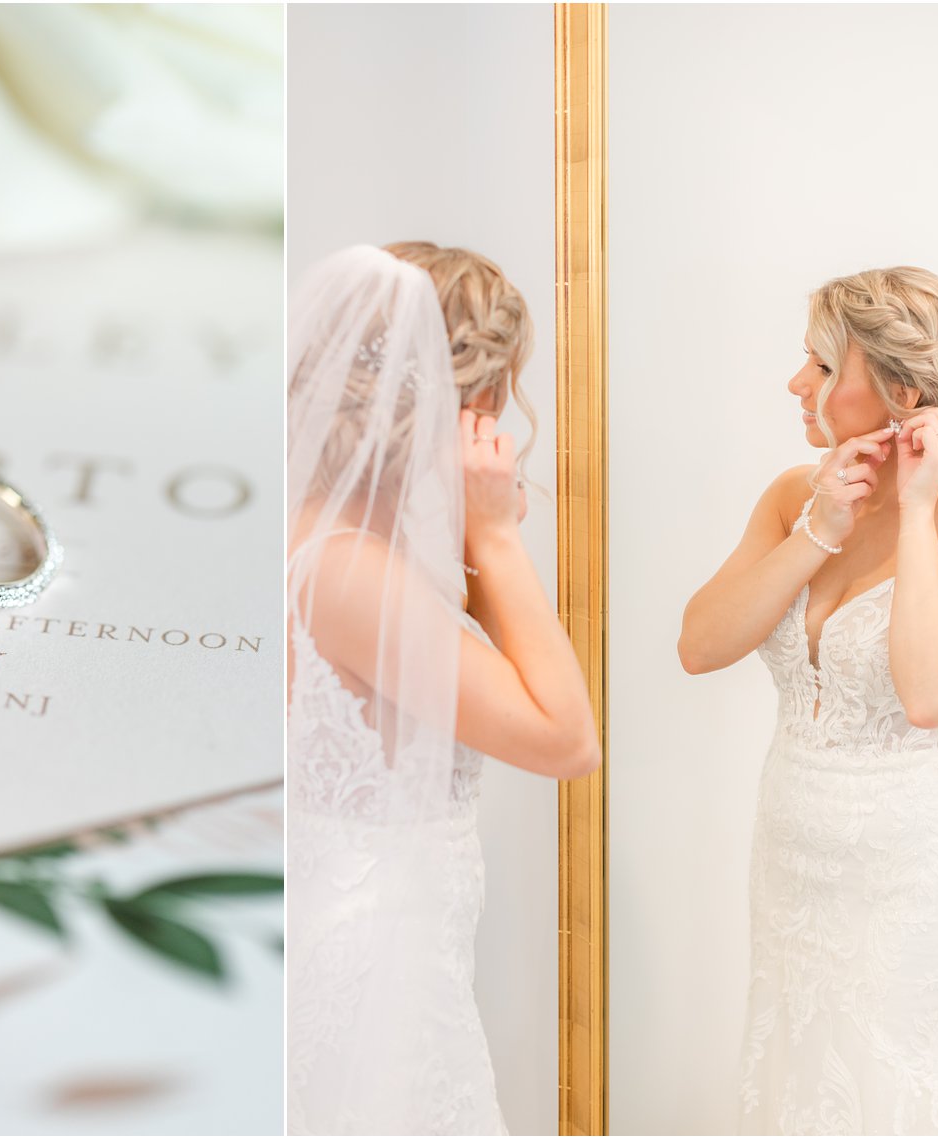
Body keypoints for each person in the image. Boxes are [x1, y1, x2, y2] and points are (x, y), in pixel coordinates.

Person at [679, 267, 938, 1134]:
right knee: (797, 1066)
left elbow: (931, 692)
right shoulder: (792, 497)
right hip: (792, 857)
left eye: (820, 365)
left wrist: (917, 512)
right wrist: (817, 533)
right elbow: (699, 645)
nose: (795, 383)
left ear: (899, 389)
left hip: (913, 872)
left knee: (897, 1081)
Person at [286, 242, 600, 1135]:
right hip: (376, 974)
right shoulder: (351, 573)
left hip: (389, 950)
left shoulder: (354, 551)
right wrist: (498, 542)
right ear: (477, 403)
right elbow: (567, 741)